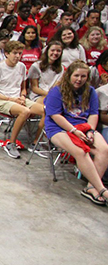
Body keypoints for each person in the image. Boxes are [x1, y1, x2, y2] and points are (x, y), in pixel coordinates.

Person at [45, 61, 108, 205]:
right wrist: (73, 130)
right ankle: (102, 190)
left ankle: (91, 188)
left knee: (104, 149)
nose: (79, 79)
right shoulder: (57, 91)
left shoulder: (90, 91)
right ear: (69, 76)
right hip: (59, 128)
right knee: (80, 151)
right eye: (76, 76)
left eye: (83, 76)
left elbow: (93, 114)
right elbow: (55, 115)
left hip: (83, 127)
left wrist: (90, 130)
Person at [0, 41, 45, 159]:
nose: (17, 56)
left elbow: (23, 88)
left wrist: (23, 97)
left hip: (18, 98)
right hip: (2, 99)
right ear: (7, 54)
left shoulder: (22, 67)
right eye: (15, 53)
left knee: (46, 110)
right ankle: (11, 143)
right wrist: (11, 99)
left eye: (19, 53)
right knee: (25, 112)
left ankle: (35, 143)